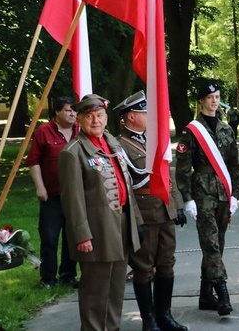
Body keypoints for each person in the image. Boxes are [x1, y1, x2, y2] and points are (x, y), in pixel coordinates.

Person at [59, 94, 142, 331]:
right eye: (89, 116)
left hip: (120, 226)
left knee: (115, 289)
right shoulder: (72, 152)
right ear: (80, 120)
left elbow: (126, 184)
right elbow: (72, 200)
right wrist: (82, 235)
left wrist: (136, 222)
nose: (96, 120)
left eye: (100, 115)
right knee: (96, 292)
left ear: (106, 117)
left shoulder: (111, 143)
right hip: (96, 231)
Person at [115, 91, 188, 331]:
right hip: (144, 212)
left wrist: (177, 205)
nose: (149, 116)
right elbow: (126, 186)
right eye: (144, 113)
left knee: (167, 263)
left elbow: (168, 174)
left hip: (164, 209)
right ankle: (149, 319)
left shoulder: (155, 139)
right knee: (144, 267)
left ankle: (164, 315)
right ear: (130, 116)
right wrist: (135, 218)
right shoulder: (120, 145)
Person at [175, 80, 239, 316]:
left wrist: (236, 194)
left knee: (217, 243)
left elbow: (234, 165)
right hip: (202, 193)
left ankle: (205, 295)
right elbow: (182, 168)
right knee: (211, 243)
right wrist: (187, 198)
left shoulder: (226, 129)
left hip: (224, 193)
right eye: (210, 97)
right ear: (201, 101)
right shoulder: (191, 131)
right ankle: (223, 295)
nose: (214, 101)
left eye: (217, 97)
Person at [25, 96, 79, 289]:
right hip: (52, 195)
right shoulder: (43, 132)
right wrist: (40, 187)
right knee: (49, 237)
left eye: (74, 110)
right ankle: (48, 278)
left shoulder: (80, 131)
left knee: (72, 237)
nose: (72, 114)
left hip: (74, 196)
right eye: (68, 110)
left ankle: (68, 274)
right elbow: (33, 161)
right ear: (57, 111)